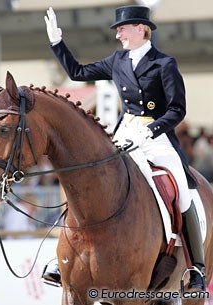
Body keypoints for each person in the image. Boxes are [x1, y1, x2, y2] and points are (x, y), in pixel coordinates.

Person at [43, 5, 205, 291]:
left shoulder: (165, 64)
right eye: (118, 29)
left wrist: (151, 130)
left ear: (142, 29)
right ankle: (66, 256)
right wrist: (57, 42)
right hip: (125, 131)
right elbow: (78, 72)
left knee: (181, 189)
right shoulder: (118, 60)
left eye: (122, 28)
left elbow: (178, 109)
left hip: (157, 135)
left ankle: (195, 268)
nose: (118, 34)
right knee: (90, 179)